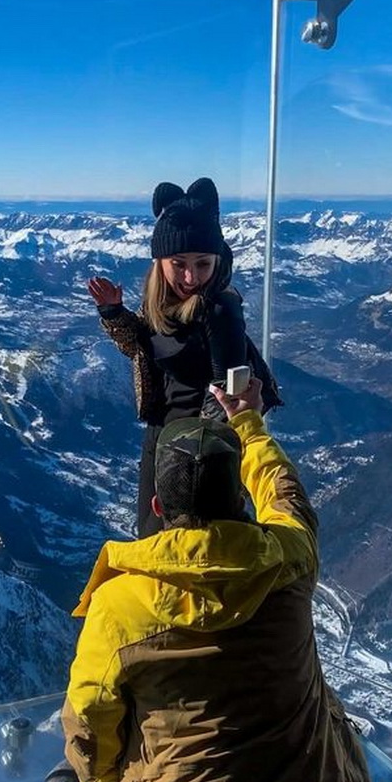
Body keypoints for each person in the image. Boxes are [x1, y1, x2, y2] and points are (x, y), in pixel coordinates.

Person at [62, 377, 377, 782]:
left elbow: (88, 723)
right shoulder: (288, 561)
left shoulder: (123, 604)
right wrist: (250, 424)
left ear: (157, 508)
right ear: (238, 498)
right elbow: (285, 497)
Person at [88, 177, 282, 536]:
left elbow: (229, 395)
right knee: (149, 539)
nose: (191, 277)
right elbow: (143, 351)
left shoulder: (220, 311)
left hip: (195, 453)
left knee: (169, 543)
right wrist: (114, 314)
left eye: (203, 264)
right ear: (159, 262)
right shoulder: (163, 303)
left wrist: (192, 461)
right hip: (161, 435)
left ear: (218, 260)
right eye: (179, 263)